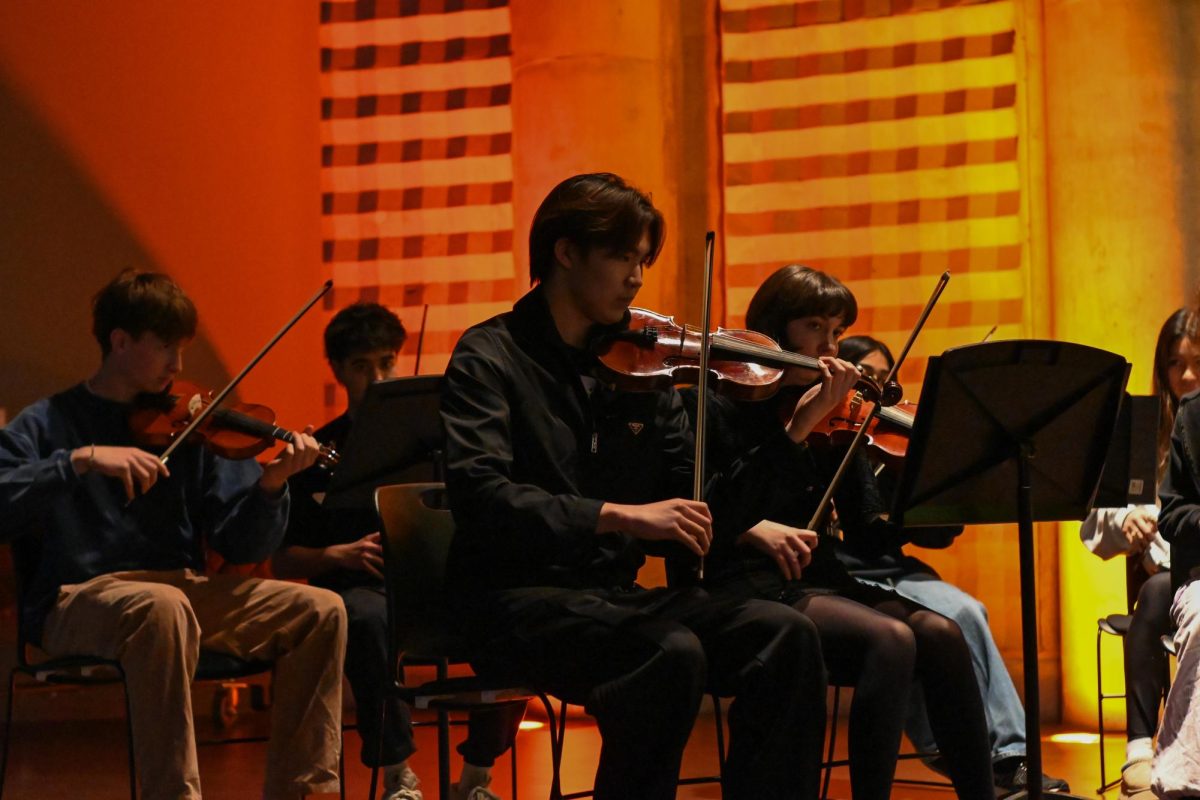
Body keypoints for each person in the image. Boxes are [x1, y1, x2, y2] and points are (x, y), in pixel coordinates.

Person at [440, 172, 827, 800]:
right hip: (513, 601)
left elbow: (706, 516)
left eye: (643, 259)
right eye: (623, 255)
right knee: (668, 653)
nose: (638, 277)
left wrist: (794, 434)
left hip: (609, 599)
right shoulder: (490, 357)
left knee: (784, 634)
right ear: (565, 252)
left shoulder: (643, 367)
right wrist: (616, 516)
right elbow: (482, 496)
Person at [0, 270, 347, 800]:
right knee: (163, 608)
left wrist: (273, 485)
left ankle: (305, 795)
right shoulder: (47, 422)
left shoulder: (191, 425)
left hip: (181, 592)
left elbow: (240, 545)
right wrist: (79, 461)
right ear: (120, 341)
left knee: (320, 612)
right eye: (165, 347)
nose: (179, 366)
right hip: (78, 601)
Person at [684, 263, 996, 800]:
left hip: (818, 580)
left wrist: (920, 493)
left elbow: (866, 534)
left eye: (837, 333)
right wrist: (798, 428)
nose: (829, 347)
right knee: (891, 637)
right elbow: (719, 506)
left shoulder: (842, 418)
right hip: (739, 583)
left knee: (943, 635)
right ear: (774, 329)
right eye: (814, 329)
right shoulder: (720, 402)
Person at [274, 302, 524, 800]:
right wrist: (336, 555)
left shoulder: (438, 447)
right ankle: (397, 776)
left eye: (386, 362)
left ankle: (476, 775)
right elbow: (282, 559)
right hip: (363, 589)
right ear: (339, 371)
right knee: (365, 620)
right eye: (362, 366)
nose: (377, 375)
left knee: (521, 611)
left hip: (436, 584)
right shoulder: (318, 455)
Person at [836, 333, 1071, 795]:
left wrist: (946, 487)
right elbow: (862, 533)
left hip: (893, 566)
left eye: (888, 380)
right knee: (958, 613)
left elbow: (937, 536)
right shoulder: (837, 440)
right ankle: (986, 752)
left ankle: (1003, 752)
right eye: (869, 379)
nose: (881, 392)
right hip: (848, 571)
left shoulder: (892, 440)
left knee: (964, 611)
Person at [1082, 308, 1196, 800]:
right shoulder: (1141, 428)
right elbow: (1093, 520)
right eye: (1175, 363)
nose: (1187, 374)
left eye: (1196, 361)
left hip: (1194, 566)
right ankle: (1138, 748)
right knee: (1152, 593)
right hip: (1160, 577)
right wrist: (1123, 519)